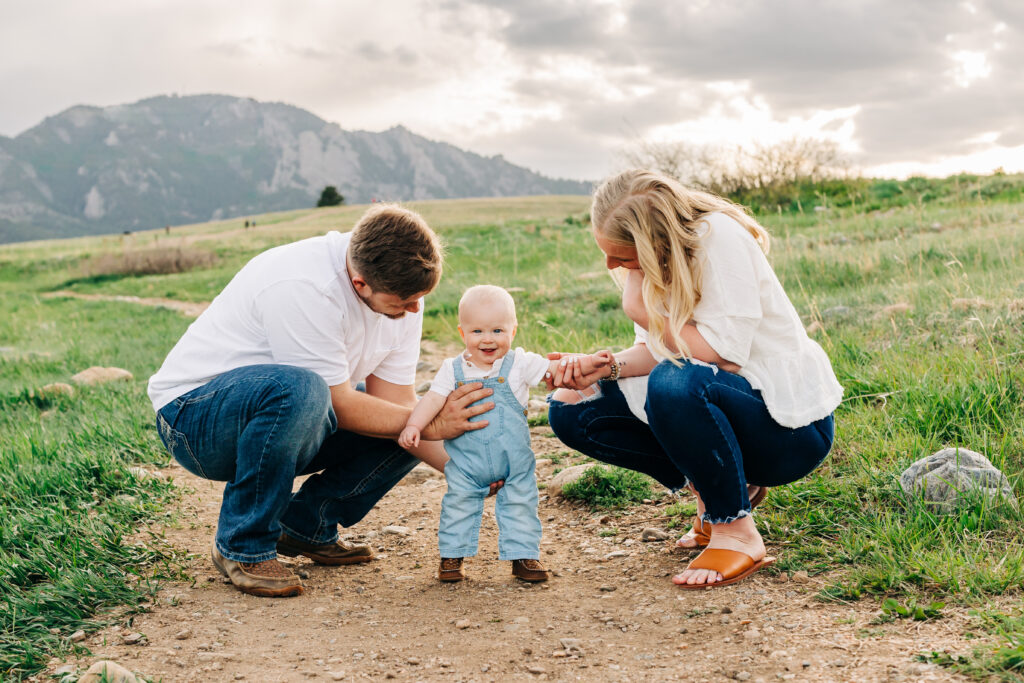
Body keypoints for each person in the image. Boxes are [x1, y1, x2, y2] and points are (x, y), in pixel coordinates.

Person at [148, 204, 497, 598]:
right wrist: (429, 423)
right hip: (195, 421)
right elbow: (340, 405)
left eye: (419, 298)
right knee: (304, 389)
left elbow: (394, 401)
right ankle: (243, 545)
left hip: (289, 417)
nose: (415, 309)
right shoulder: (304, 286)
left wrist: (466, 469)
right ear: (361, 283)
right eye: (404, 300)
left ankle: (304, 526)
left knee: (406, 420)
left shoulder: (401, 292)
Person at [546, 169, 842, 589]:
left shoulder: (719, 238)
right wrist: (604, 366)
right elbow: (661, 349)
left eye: (621, 254)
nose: (609, 264)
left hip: (789, 430)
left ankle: (735, 530)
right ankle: (715, 489)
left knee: (674, 382)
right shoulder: (653, 261)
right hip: (726, 405)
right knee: (573, 406)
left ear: (654, 239)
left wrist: (642, 311)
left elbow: (722, 357)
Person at [399, 285, 610, 583]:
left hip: (514, 462)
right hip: (466, 463)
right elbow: (432, 399)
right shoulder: (452, 369)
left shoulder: (519, 363)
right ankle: (451, 556)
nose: (487, 339)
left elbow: (554, 368)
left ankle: (524, 556)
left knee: (521, 504)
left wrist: (588, 361)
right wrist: (413, 425)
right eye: (477, 331)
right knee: (458, 505)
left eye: (497, 330)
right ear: (462, 333)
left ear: (513, 331)